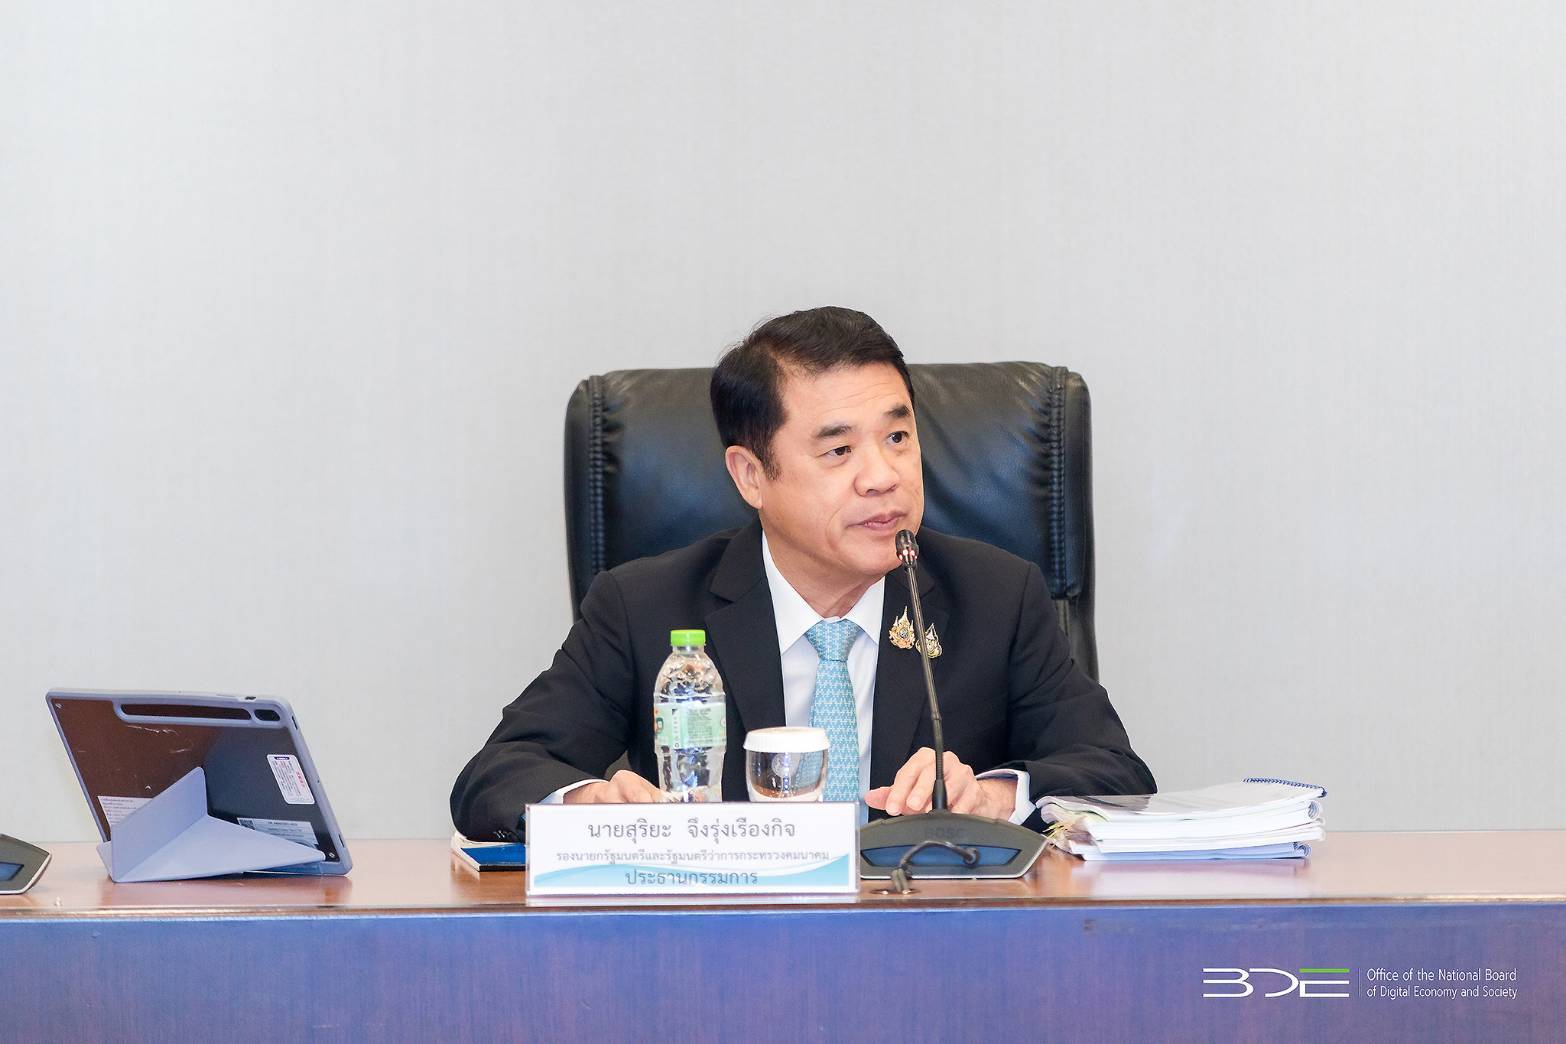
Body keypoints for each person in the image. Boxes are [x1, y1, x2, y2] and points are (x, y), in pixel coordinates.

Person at [451, 306, 1154, 840]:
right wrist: (590, 802)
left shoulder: (996, 597)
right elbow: (496, 776)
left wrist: (995, 796)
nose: (883, 477)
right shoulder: (645, 607)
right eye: (838, 451)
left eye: (898, 437)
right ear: (751, 475)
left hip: (930, 945)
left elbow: (1115, 773)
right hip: (725, 949)